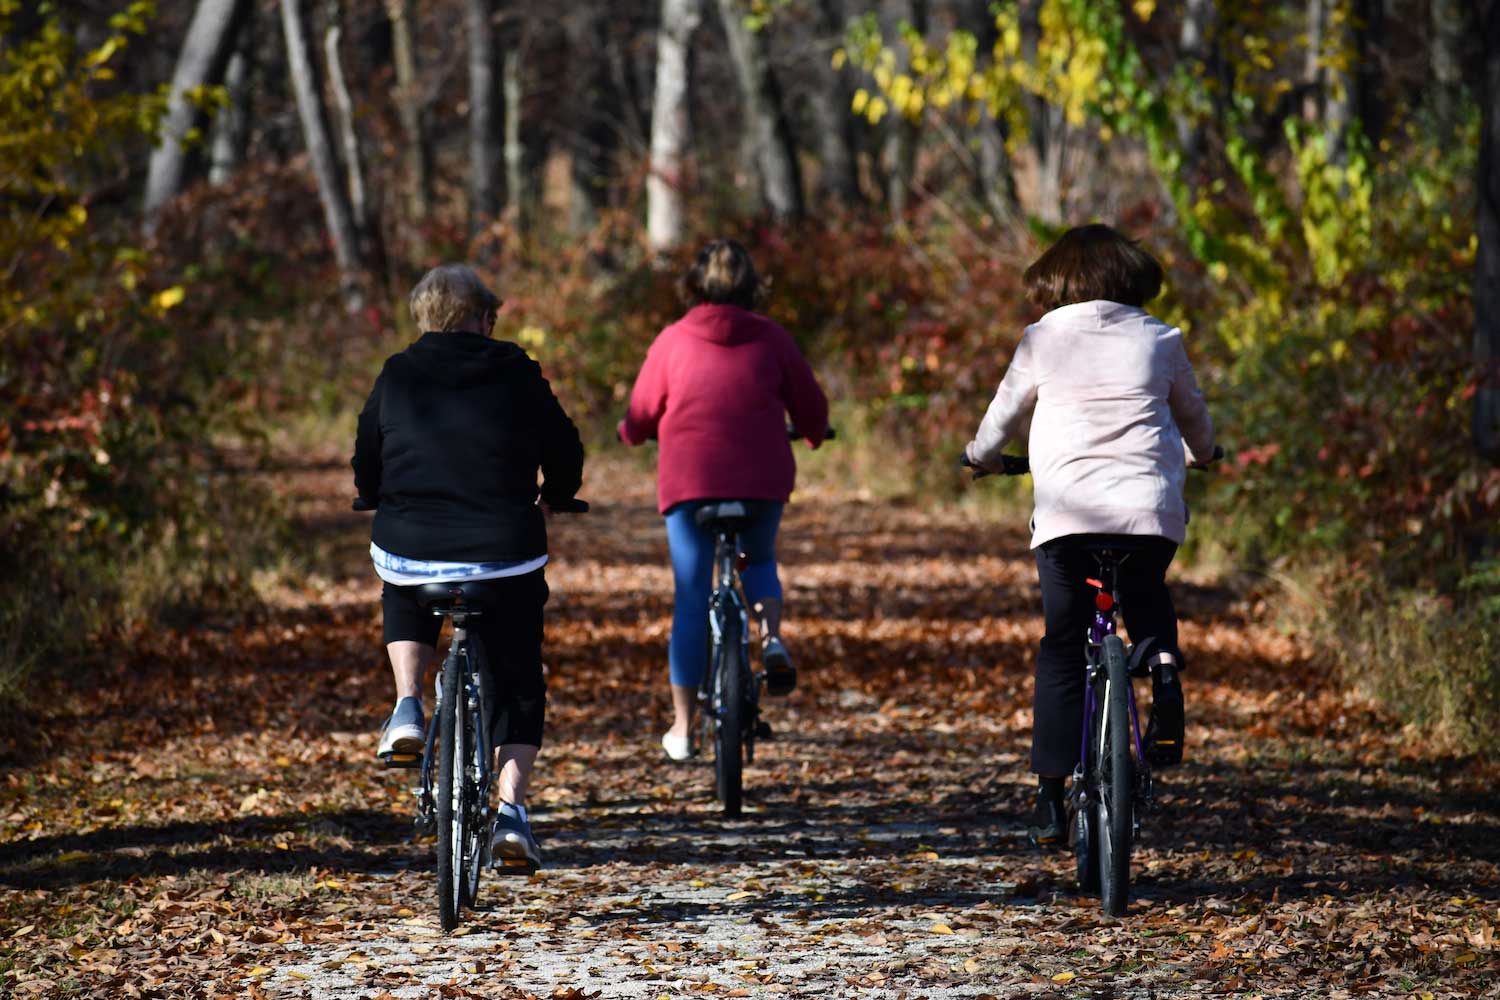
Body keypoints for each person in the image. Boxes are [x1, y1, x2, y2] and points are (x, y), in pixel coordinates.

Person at [964, 224, 1215, 847]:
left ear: (1058, 280)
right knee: (1145, 586)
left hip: (1067, 517)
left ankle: (1050, 797)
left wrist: (981, 456)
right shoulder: (1162, 339)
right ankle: (1160, 663)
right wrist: (1204, 453)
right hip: (1146, 512)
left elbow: (1000, 419)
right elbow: (1195, 420)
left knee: (1061, 643)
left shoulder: (1042, 338)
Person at [352, 264, 584, 870]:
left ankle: (407, 704)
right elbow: (563, 445)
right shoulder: (516, 370)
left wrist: (373, 492)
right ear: (483, 319)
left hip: (412, 539)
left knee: (401, 582)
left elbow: (367, 449)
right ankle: (511, 810)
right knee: (519, 675)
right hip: (504, 551)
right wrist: (559, 492)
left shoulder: (398, 372)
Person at [619, 239, 829, 761]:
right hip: (759, 484)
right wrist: (814, 431)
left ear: (695, 284)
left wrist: (631, 431)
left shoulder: (672, 340)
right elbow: (810, 408)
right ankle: (771, 637)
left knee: (693, 594)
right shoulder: (773, 339)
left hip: (691, 487)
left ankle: (684, 727)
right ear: (751, 285)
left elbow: (642, 413)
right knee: (754, 558)